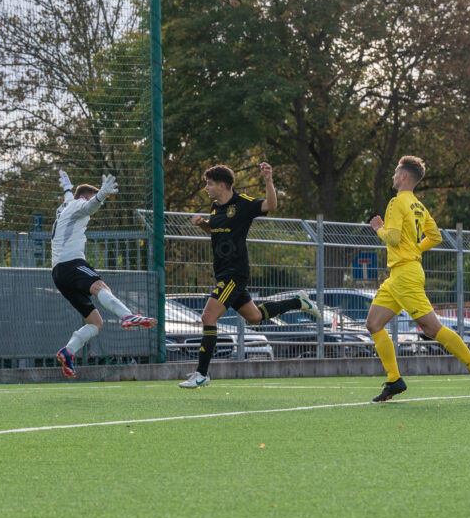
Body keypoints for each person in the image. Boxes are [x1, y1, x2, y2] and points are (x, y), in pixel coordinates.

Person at [178, 162, 320, 388]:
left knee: (208, 318)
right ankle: (298, 301)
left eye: (209, 184)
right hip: (223, 273)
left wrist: (268, 180)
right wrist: (203, 224)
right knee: (254, 317)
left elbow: (270, 205)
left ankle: (202, 373)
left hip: (235, 274)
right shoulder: (216, 208)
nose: (206, 188)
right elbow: (215, 230)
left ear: (222, 185)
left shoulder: (242, 203)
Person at [364, 156, 470, 403]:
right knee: (373, 324)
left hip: (405, 275)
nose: (392, 176)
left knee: (432, 329)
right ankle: (394, 380)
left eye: (395, 172)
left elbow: (391, 237)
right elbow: (435, 237)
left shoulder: (396, 202)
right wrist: (414, 249)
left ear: (403, 176)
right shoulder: (419, 206)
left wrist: (377, 227)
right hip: (400, 275)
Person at [52, 170, 156, 379]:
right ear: (85, 196)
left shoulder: (65, 206)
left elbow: (69, 197)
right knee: (101, 287)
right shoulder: (80, 204)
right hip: (71, 263)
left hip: (58, 273)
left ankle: (68, 351)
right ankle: (127, 316)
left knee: (95, 323)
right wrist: (99, 196)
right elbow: (89, 206)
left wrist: (66, 187)